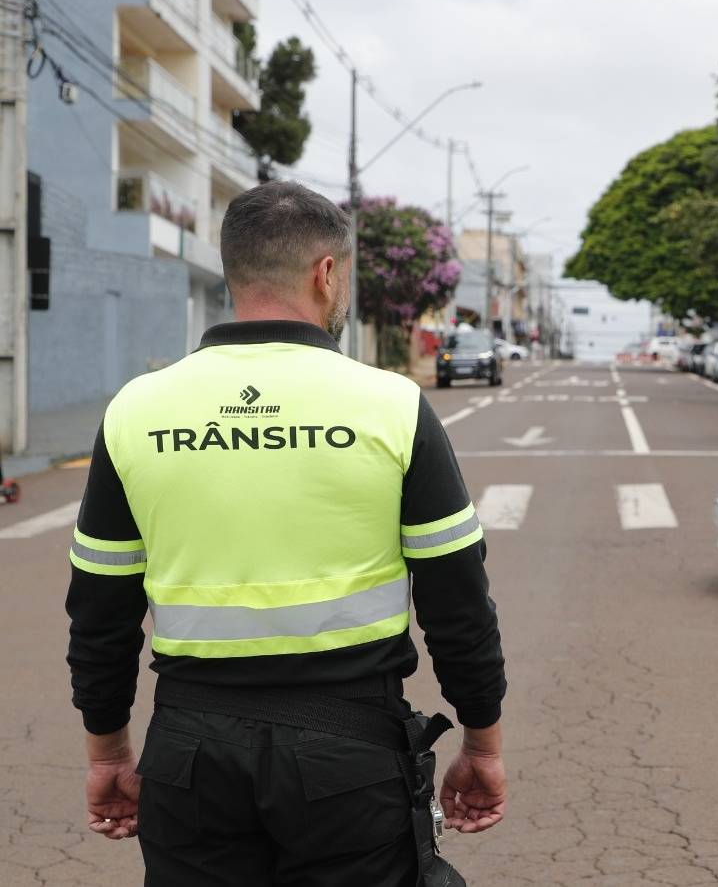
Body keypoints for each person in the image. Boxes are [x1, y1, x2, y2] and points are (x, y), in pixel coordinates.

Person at [65, 181, 507, 885]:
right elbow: (457, 601)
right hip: (349, 757)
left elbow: (99, 615)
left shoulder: (136, 412)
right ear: (326, 274)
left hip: (188, 756)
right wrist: (481, 738)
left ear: (234, 272)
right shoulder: (391, 406)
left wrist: (108, 754)